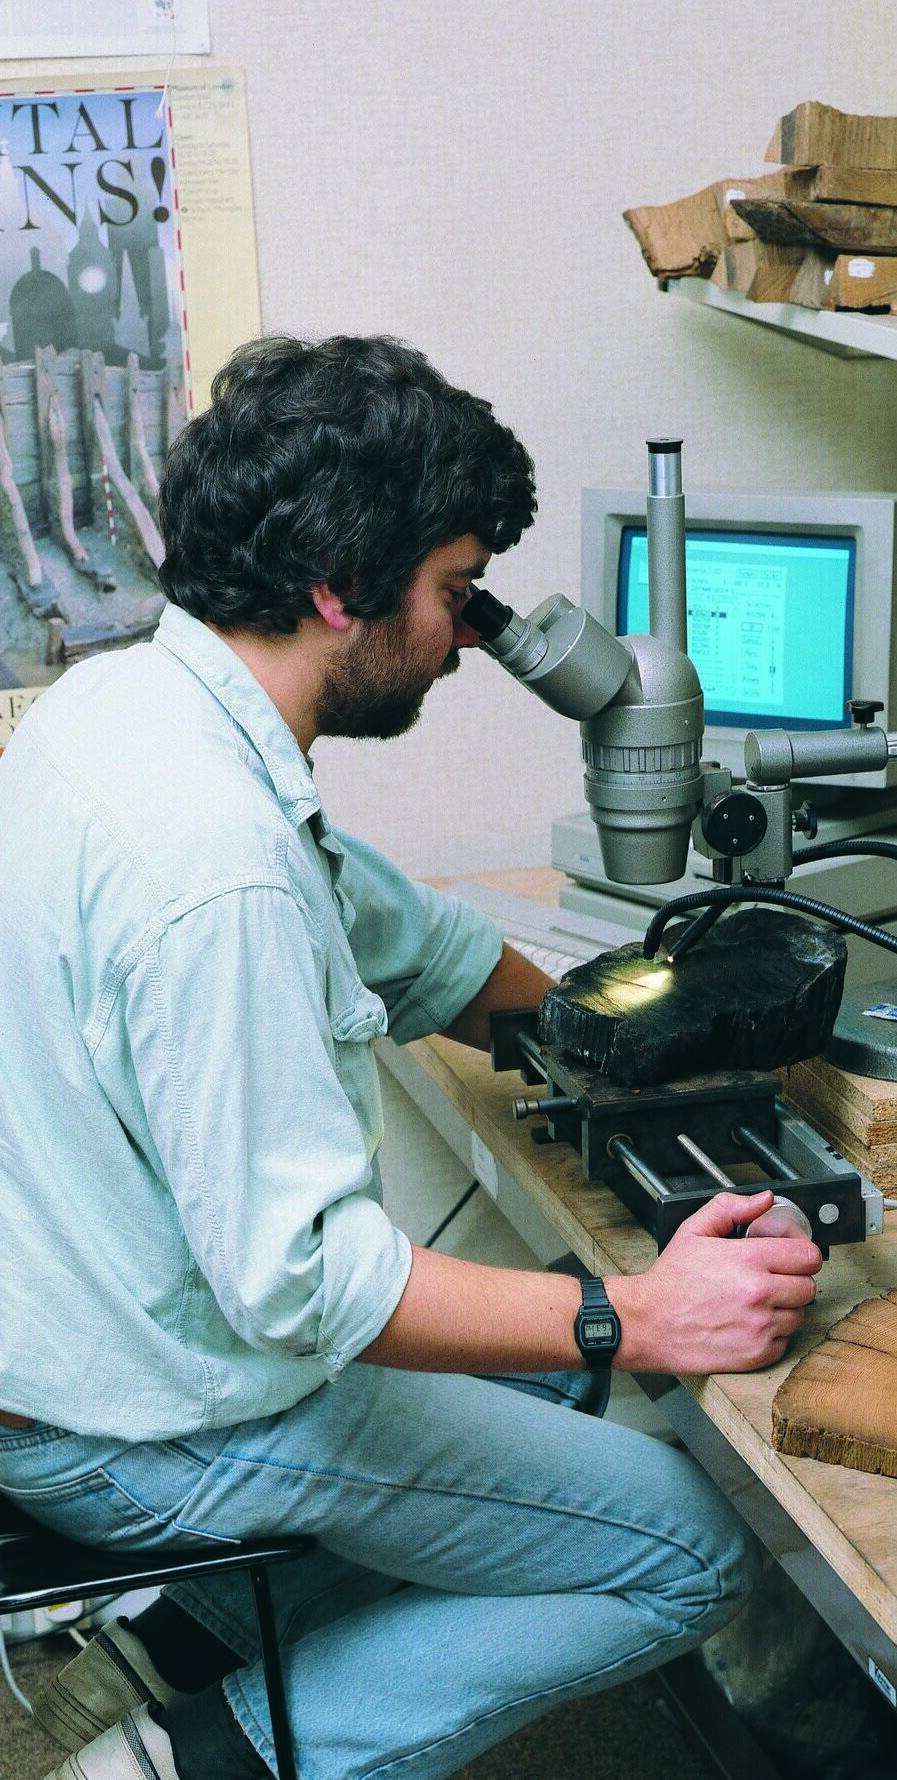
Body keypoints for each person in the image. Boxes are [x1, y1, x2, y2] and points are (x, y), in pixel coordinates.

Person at [0, 334, 823, 1780]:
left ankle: (175, 1642)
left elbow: (398, 930)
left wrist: (590, 1027)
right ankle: (186, 1759)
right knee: (691, 1546)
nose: (462, 637)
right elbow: (304, 1282)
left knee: (545, 1370)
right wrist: (642, 1313)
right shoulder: (216, 867)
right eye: (452, 593)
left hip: (75, 1335)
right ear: (339, 592)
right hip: (142, 1415)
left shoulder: (128, 705)